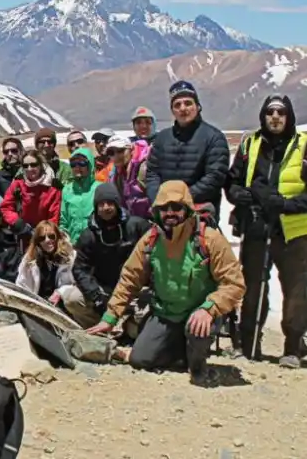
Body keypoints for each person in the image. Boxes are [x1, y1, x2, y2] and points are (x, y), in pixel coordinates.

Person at [88, 181, 245, 381]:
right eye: (164, 208)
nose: (170, 213)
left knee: (197, 328)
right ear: (157, 211)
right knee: (140, 359)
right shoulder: (150, 240)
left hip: (200, 312)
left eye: (177, 207)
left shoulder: (210, 239)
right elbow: (130, 278)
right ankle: (179, 351)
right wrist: (109, 318)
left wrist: (209, 308)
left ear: (187, 209)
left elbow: (234, 283)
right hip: (165, 313)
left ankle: (197, 365)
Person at [226, 94, 307, 365]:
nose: (275, 117)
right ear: (263, 116)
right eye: (270, 112)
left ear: (289, 116)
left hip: (293, 230)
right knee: (251, 285)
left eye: (281, 112)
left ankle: (293, 348)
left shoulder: (304, 146)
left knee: (296, 289)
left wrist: (286, 204)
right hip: (256, 225)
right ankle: (248, 344)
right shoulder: (251, 144)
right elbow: (233, 181)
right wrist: (240, 195)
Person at [65, 184, 150, 328]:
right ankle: (99, 329)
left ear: (117, 204)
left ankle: (124, 329)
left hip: (135, 289)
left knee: (139, 323)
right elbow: (80, 270)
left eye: (110, 203)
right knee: (72, 299)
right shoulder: (88, 235)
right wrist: (96, 296)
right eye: (101, 204)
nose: (106, 208)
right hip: (104, 290)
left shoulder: (138, 226)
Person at [146, 80, 229, 218]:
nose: (183, 108)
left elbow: (214, 177)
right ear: (172, 110)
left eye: (188, 103)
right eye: (177, 105)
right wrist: (160, 199)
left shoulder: (214, 137)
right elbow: (152, 174)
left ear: (198, 106)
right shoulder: (162, 138)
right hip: (166, 212)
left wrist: (181, 198)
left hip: (200, 212)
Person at [1, 150, 61, 237]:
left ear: (41, 165)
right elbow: (6, 207)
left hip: (44, 236)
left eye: (33, 165)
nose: (29, 169)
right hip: (22, 234)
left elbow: (54, 217)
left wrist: (43, 233)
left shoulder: (52, 188)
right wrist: (16, 221)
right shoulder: (17, 184)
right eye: (25, 166)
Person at [15, 221, 76, 305]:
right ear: (37, 241)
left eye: (51, 236)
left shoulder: (70, 256)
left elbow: (75, 284)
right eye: (42, 238)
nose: (47, 240)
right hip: (37, 304)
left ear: (57, 236)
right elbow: (21, 285)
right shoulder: (29, 259)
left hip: (62, 303)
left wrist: (60, 292)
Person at [60, 148, 101, 244]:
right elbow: (63, 220)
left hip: (96, 243)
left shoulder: (99, 187)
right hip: (74, 243)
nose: (77, 167)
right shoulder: (67, 190)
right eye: (73, 164)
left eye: (82, 164)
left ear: (90, 165)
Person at [106, 135, 150, 219]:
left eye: (120, 151)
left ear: (131, 150)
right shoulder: (115, 175)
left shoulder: (144, 169)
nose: (116, 156)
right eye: (111, 153)